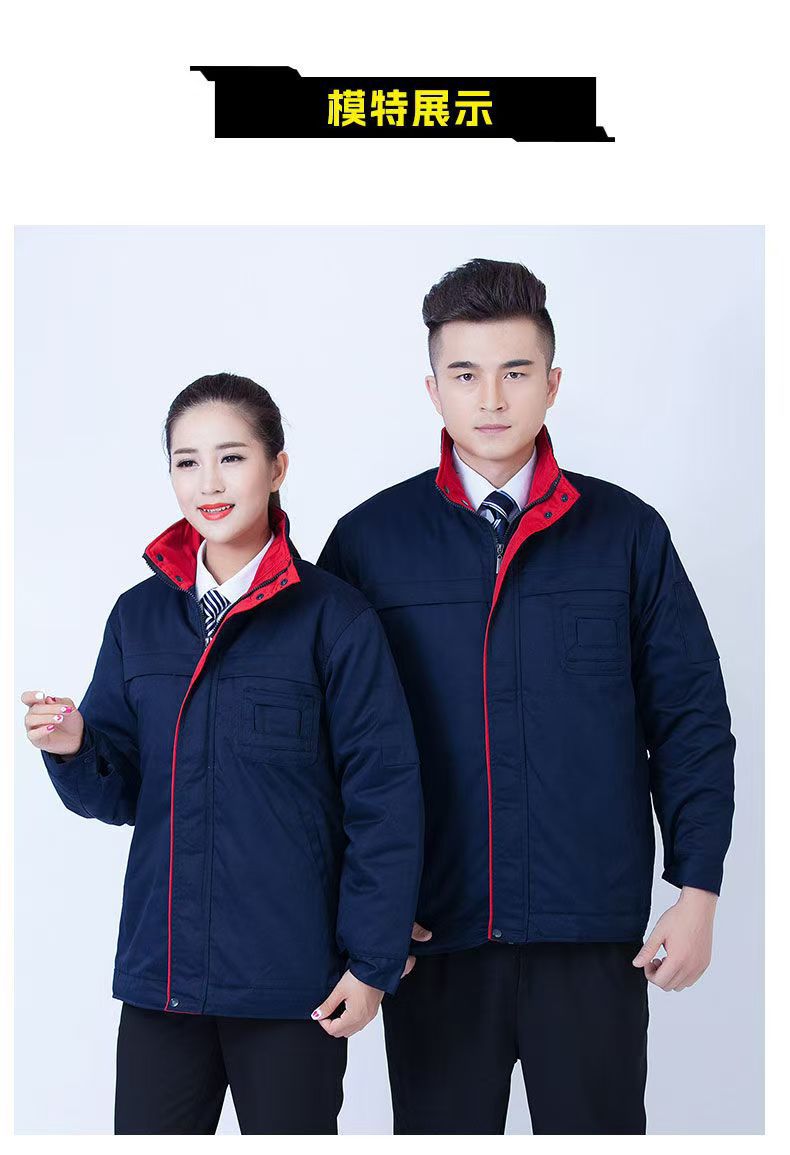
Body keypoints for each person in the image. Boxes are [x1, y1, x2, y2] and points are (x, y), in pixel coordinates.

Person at [317, 258, 737, 1135]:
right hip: (431, 935)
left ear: (552, 382)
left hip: (589, 935)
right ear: (433, 389)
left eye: (515, 372)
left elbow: (691, 719)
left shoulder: (626, 535)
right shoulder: (368, 543)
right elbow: (326, 749)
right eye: (465, 374)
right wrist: (362, 916)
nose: (491, 399)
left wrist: (697, 887)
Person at [22, 371, 424, 1135]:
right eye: (187, 461)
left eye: (231, 457)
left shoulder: (333, 618)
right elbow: (124, 792)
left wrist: (372, 962)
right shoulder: (138, 617)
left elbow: (384, 798)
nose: (208, 482)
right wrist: (76, 746)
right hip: (163, 978)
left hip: (292, 983)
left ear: (277, 467)